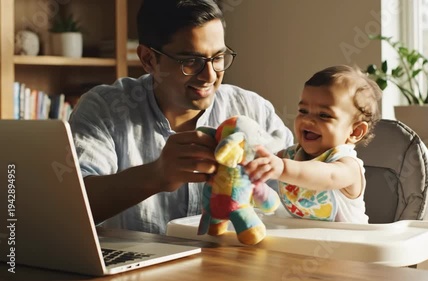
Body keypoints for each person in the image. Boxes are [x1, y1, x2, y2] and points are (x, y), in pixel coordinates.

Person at [69, 0, 293, 235]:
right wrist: (156, 175)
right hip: (141, 269)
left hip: (235, 266)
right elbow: (70, 207)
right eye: (191, 61)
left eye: (218, 58)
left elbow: (302, 194)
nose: (209, 76)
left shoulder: (252, 108)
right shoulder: (104, 108)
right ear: (148, 59)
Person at [244, 65, 382, 224]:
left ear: (355, 132)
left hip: (349, 245)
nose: (307, 120)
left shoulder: (348, 166)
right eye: (303, 111)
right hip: (305, 243)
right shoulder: (290, 156)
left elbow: (327, 176)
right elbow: (261, 162)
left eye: (324, 115)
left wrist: (282, 168)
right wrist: (244, 162)